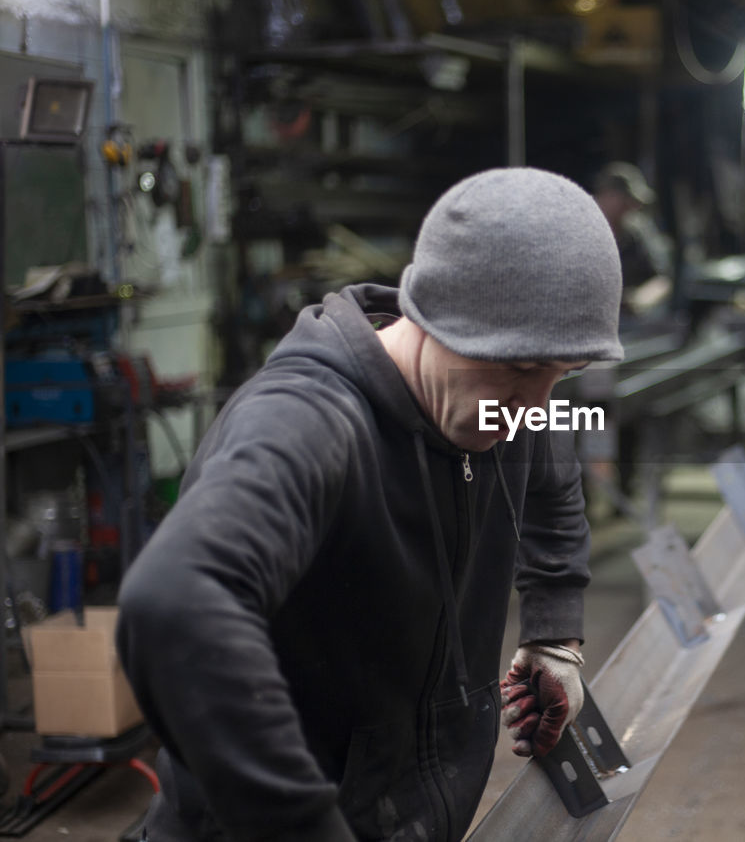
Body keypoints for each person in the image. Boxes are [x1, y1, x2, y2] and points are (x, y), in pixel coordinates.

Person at [115, 168, 624, 841]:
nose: (530, 405)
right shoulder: (311, 422)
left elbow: (551, 464)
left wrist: (553, 631)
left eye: (559, 376)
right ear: (437, 314)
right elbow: (174, 602)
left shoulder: (506, 394)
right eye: (522, 370)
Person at [592, 161, 672, 318]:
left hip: (629, 321)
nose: (633, 206)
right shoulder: (579, 228)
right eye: (626, 199)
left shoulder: (638, 230)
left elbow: (662, 279)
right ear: (608, 195)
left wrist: (640, 299)